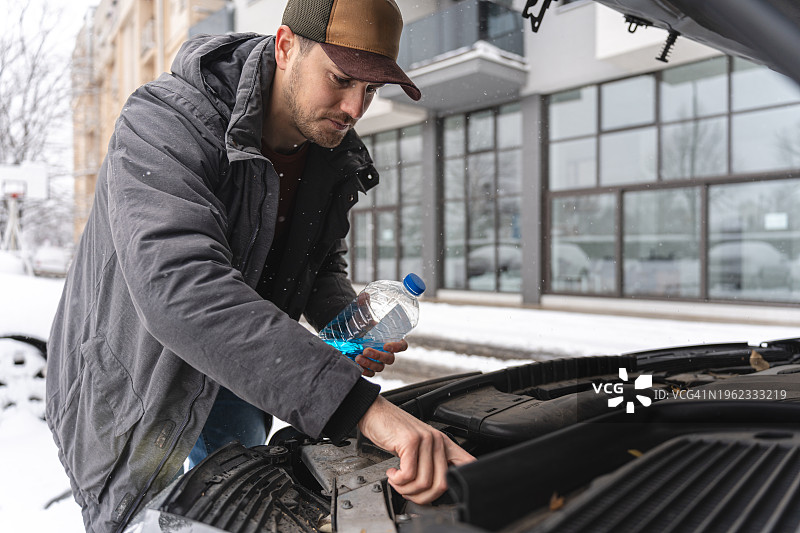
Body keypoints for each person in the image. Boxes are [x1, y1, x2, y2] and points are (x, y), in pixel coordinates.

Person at [45, 0, 475, 531]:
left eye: (370, 89)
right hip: (140, 389)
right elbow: (181, 289)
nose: (354, 107)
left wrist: (347, 317)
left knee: (232, 513)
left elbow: (317, 265)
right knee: (148, 519)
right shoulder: (165, 121)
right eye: (340, 79)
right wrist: (360, 407)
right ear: (286, 46)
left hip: (245, 375)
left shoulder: (329, 152)